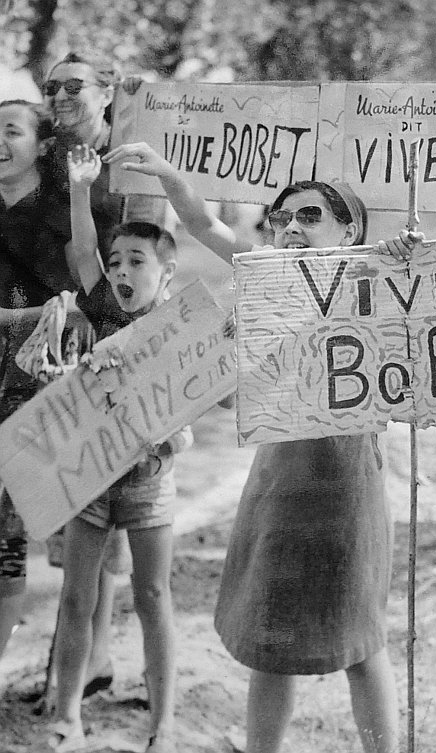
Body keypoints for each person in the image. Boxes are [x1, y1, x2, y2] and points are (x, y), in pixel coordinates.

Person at [104, 140, 403, 753]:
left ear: (349, 233)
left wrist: (404, 263)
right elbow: (201, 223)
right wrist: (167, 173)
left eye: (311, 217)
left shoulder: (375, 279)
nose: (292, 228)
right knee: (269, 635)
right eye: (284, 218)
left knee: (360, 639)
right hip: (278, 481)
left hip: (348, 482)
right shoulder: (264, 271)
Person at [46, 145, 192, 753]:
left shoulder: (184, 325)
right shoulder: (104, 309)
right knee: (77, 597)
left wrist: (172, 433)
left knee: (154, 596)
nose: (122, 270)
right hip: (90, 480)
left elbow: (190, 411)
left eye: (137, 259)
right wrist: (82, 190)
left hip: (149, 485)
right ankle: (69, 714)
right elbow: (81, 251)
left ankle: (165, 721)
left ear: (166, 271)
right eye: (116, 261)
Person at [0, 99, 89, 665]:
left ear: (40, 144)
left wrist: (23, 322)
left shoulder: (60, 216)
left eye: (11, 131)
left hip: (35, 394)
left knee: (19, 542)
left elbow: (85, 301)